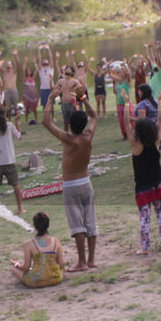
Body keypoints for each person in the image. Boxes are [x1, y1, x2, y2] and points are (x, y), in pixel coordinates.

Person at [42, 89, 98, 272]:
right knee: (90, 221)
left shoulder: (68, 140)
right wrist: (83, 98)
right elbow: (94, 115)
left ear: (71, 125)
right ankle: (91, 260)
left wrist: (50, 99)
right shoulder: (88, 136)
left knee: (78, 225)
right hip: (86, 182)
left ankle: (81, 262)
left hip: (71, 185)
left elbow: (46, 122)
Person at [129, 118, 161, 254]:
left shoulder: (136, 146)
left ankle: (145, 247)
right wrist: (160, 100)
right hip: (158, 184)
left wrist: (127, 105)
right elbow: (160, 117)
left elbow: (125, 123)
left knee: (144, 219)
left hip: (142, 188)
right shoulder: (156, 142)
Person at [11, 211, 66, 288]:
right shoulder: (56, 241)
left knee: (13, 268)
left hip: (36, 281)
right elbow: (62, 263)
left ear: (35, 226)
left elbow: (26, 267)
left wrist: (17, 265)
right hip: (55, 278)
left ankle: (15, 266)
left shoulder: (28, 244)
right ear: (48, 225)